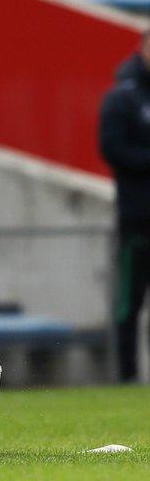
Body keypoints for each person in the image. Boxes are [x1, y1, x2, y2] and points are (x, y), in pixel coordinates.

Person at [99, 30, 150, 383]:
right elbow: (112, 149)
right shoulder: (123, 97)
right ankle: (127, 375)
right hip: (138, 219)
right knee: (129, 303)